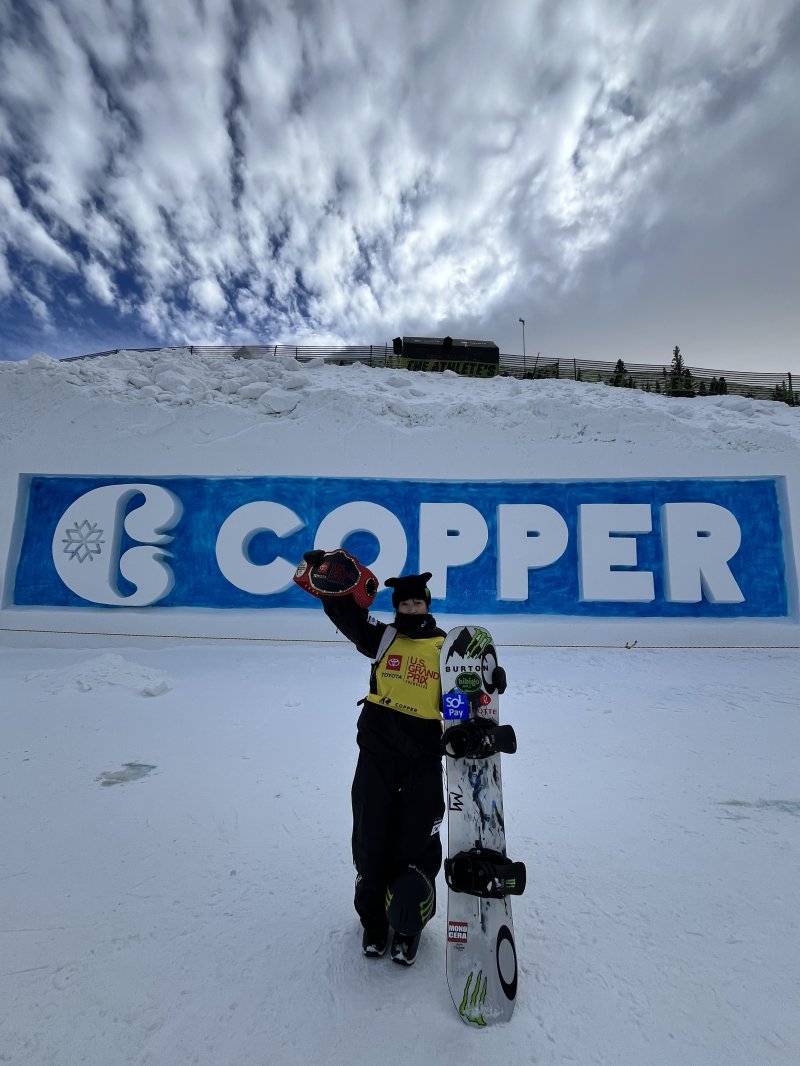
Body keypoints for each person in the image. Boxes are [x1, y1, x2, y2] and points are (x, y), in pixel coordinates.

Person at [298, 554, 447, 965]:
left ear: (428, 605)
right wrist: (328, 580)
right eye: (404, 603)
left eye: (418, 603)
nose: (411, 609)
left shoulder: (446, 647)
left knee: (415, 841)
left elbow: (469, 693)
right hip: (378, 753)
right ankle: (375, 923)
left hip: (422, 758)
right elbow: (347, 615)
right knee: (371, 838)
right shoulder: (383, 638)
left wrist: (489, 685)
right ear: (396, 606)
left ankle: (407, 925)